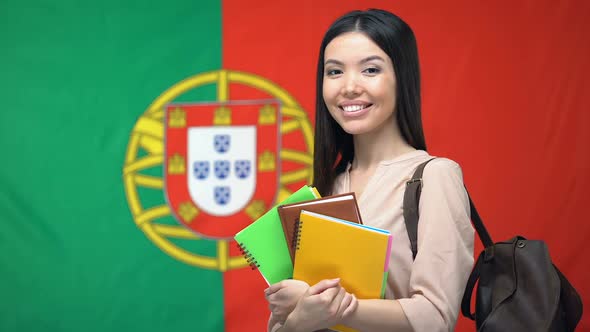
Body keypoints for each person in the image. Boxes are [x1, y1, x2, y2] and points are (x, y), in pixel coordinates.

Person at [265, 8, 474, 332]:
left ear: (402, 78)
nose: (349, 87)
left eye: (370, 70)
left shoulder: (434, 176)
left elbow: (435, 316)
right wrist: (299, 319)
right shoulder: (325, 188)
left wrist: (330, 307)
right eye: (334, 72)